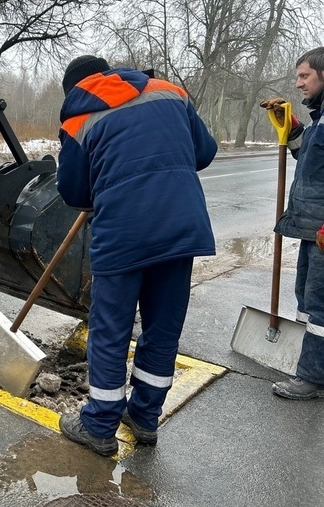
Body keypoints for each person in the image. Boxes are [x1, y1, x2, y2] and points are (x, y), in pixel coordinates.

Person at [55, 55, 217, 456]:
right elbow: (205, 152)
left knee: (111, 329)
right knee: (162, 328)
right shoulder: (171, 94)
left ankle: (99, 424)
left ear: (77, 88)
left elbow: (74, 193)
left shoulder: (79, 119)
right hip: (181, 229)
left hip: (123, 234)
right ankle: (144, 417)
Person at [264, 46, 324, 400]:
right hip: (312, 227)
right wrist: (293, 127)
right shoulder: (320, 118)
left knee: (320, 307)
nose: (298, 83)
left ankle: (312, 378)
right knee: (307, 297)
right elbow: (311, 160)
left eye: (305, 76)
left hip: (322, 230)